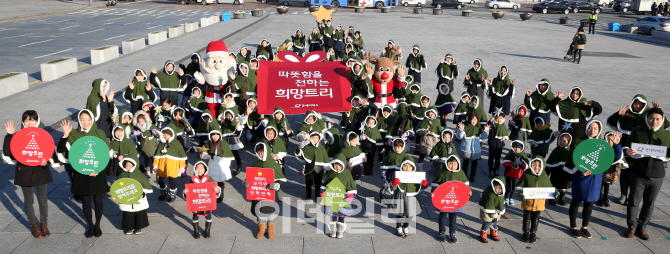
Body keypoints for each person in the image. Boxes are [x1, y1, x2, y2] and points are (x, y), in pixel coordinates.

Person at [57, 110, 112, 238]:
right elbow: (60, 149)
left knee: (98, 199)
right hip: (80, 172)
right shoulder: (74, 134)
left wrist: (98, 169)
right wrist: (65, 135)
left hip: (97, 171)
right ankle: (90, 225)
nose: (85, 122)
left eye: (88, 119)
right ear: (79, 120)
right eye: (82, 119)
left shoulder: (99, 133)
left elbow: (106, 153)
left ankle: (97, 224)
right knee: (86, 200)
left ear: (92, 120)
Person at [606, 96, 668, 205]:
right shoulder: (626, 112)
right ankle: (623, 194)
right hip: (627, 146)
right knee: (625, 171)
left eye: (641, 104)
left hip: (641, 149)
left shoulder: (648, 115)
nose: (638, 106)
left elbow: (665, 125)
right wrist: (618, 115)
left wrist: (658, 111)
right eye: (636, 103)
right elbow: (610, 122)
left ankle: (632, 194)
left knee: (635, 173)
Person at [3, 111, 55, 238]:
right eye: (26, 120)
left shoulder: (44, 135)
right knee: (29, 201)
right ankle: (34, 225)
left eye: (32, 120)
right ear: (23, 122)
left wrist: (45, 162)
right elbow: (7, 151)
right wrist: (9, 135)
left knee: (42, 200)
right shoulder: (18, 136)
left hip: (40, 171)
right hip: (24, 172)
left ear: (37, 121)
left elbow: (50, 152)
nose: (30, 123)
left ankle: (44, 224)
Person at [623, 107, 669, 240]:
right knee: (633, 201)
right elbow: (626, 146)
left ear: (662, 120)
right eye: (651, 118)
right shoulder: (638, 131)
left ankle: (642, 227)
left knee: (649, 203)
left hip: (657, 174)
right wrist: (627, 152)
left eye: (657, 119)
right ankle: (632, 227)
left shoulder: (667, 135)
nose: (654, 121)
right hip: (638, 172)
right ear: (647, 118)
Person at [563, 120, 604, 239]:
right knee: (576, 201)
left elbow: (607, 159)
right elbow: (573, 157)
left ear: (599, 130)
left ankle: (584, 227)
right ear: (586, 128)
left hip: (595, 177)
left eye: (595, 128)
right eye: (590, 128)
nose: (592, 130)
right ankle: (573, 226)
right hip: (580, 175)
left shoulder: (601, 143)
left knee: (589, 203)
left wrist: (616, 145)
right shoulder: (579, 140)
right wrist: (579, 169)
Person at [246, 143, 286, 239]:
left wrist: (277, 185)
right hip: (258, 194)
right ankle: (261, 229)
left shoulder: (273, 165)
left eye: (262, 153)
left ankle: (270, 229)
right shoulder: (256, 164)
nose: (261, 155)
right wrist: (246, 183)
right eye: (259, 153)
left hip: (270, 194)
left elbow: (281, 179)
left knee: (271, 212)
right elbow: (251, 178)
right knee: (259, 212)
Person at [516, 156, 558, 243]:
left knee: (535, 219)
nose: (536, 168)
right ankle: (526, 233)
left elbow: (550, 188)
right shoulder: (527, 174)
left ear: (542, 166)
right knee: (527, 218)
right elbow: (519, 187)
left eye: (539, 166)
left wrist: (555, 194)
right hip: (528, 202)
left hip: (539, 203)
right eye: (534, 165)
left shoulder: (544, 176)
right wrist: (521, 195)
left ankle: (533, 233)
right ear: (531, 165)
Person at [432, 155, 470, 243]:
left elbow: (465, 185)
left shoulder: (461, 173)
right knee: (443, 216)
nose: (453, 166)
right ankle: (441, 232)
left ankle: (452, 233)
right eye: (450, 164)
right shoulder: (443, 173)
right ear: (446, 164)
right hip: (444, 201)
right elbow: (435, 183)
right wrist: (434, 192)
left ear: (458, 164)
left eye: (455, 164)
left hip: (455, 201)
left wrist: (468, 192)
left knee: (453, 217)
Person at [388, 156, 428, 238]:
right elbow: (391, 187)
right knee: (399, 213)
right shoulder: (398, 174)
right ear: (402, 166)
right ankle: (398, 227)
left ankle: (405, 226)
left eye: (410, 166)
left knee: (410, 214)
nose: (407, 168)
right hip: (400, 196)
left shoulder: (416, 175)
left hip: (411, 197)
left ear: (413, 167)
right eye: (405, 166)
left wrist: (425, 184)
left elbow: (421, 187)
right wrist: (393, 184)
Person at [321, 154, 357, 239]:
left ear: (343, 165)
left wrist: (350, 195)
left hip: (343, 198)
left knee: (342, 214)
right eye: (335, 164)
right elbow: (326, 184)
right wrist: (323, 192)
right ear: (333, 164)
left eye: (340, 165)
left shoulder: (347, 173)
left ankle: (340, 229)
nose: (337, 167)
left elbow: (351, 185)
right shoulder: (331, 173)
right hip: (333, 198)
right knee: (333, 213)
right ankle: (333, 228)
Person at [184, 161, 221, 239]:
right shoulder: (193, 179)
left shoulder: (209, 178)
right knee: (195, 216)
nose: (199, 170)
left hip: (206, 203)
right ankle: (196, 232)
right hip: (196, 203)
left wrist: (216, 190)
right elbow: (189, 191)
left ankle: (207, 231)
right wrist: (185, 192)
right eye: (197, 168)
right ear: (195, 169)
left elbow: (215, 189)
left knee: (208, 216)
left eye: (201, 168)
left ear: (205, 169)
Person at [115, 158, 152, 235]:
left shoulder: (139, 175)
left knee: (139, 213)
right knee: (128, 214)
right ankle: (129, 228)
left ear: (134, 165)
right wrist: (115, 195)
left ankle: (139, 227)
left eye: (130, 166)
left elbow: (146, 186)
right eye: (126, 166)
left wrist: (143, 194)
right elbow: (117, 186)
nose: (128, 167)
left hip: (139, 199)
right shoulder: (122, 175)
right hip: (127, 199)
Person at [153, 123, 187, 203]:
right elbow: (157, 156)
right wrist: (155, 166)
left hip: (173, 166)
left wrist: (182, 166)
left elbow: (181, 157)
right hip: (162, 167)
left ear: (172, 135)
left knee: (172, 181)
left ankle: (172, 194)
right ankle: (163, 192)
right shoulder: (161, 144)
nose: (165, 136)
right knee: (161, 180)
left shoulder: (177, 144)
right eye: (164, 134)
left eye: (168, 134)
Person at [200, 126, 234, 203]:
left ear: (220, 135)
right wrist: (203, 155)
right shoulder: (209, 143)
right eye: (213, 134)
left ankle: (220, 194)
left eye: (217, 134)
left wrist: (226, 166)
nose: (215, 137)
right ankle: (214, 194)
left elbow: (228, 156)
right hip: (212, 165)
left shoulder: (224, 143)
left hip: (221, 165)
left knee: (220, 181)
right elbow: (206, 154)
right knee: (213, 181)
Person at [456, 111, 491, 182]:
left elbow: (482, 137)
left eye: (476, 119)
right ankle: (464, 175)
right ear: (469, 119)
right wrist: (461, 130)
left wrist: (486, 131)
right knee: (465, 163)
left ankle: (472, 175)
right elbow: (459, 137)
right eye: (472, 119)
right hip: (466, 149)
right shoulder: (465, 126)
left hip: (476, 150)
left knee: (474, 163)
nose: (474, 121)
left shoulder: (479, 127)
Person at [296, 132, 329, 201]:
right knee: (308, 182)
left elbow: (325, 158)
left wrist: (326, 169)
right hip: (309, 167)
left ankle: (317, 195)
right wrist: (299, 152)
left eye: (316, 138)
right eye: (313, 138)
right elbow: (302, 154)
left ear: (319, 139)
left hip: (319, 168)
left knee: (318, 183)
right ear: (310, 138)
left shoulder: (321, 148)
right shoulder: (307, 147)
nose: (315, 140)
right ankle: (308, 195)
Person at [597, 131, 626, 207]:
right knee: (600, 184)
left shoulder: (615, 149)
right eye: (608, 140)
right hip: (602, 169)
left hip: (610, 170)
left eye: (612, 140)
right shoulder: (603, 147)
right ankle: (599, 198)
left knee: (607, 184)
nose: (610, 142)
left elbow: (619, 156)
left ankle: (605, 198)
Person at [545, 133, 573, 206]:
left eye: (564, 141)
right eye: (560, 140)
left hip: (565, 172)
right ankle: (551, 198)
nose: (561, 142)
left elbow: (571, 162)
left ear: (568, 142)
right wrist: (547, 171)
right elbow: (550, 161)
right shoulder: (556, 150)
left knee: (563, 186)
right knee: (553, 185)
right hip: (555, 171)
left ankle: (562, 198)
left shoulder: (569, 151)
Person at [478, 176, 506, 243]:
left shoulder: (501, 194)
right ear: (494, 186)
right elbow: (489, 205)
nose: (499, 190)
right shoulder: (490, 194)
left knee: (495, 222)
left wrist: (500, 210)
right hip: (487, 210)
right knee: (488, 222)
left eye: (501, 188)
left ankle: (493, 233)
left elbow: (501, 202)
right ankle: (483, 234)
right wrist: (492, 213)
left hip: (496, 211)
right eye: (497, 188)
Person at [132, 110, 159, 177]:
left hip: (152, 145)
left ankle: (154, 168)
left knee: (153, 157)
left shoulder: (151, 126)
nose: (141, 123)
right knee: (146, 158)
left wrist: (155, 133)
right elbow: (139, 140)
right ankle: (148, 169)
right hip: (144, 146)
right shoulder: (139, 129)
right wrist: (138, 136)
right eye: (139, 121)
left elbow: (157, 136)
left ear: (146, 120)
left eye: (142, 121)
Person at [502, 139, 529, 205]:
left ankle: (511, 198)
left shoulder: (523, 155)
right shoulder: (511, 153)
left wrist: (521, 164)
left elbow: (526, 165)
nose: (516, 149)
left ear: (521, 148)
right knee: (508, 187)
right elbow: (504, 162)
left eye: (518, 148)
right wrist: (511, 163)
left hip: (518, 175)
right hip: (509, 173)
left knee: (514, 188)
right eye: (514, 147)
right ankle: (506, 198)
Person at [219, 108, 244, 176]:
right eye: (227, 116)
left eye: (230, 116)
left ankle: (239, 166)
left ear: (232, 117)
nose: (228, 117)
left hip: (232, 140)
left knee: (235, 153)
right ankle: (223, 168)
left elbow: (238, 129)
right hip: (225, 140)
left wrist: (238, 125)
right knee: (223, 155)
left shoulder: (234, 124)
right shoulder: (223, 123)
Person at [488, 112, 508, 178]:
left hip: (499, 145)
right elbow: (486, 127)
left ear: (503, 119)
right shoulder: (493, 124)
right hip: (492, 144)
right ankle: (490, 170)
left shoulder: (503, 126)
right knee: (491, 158)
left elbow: (505, 134)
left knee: (498, 159)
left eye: (501, 118)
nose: (499, 120)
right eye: (497, 118)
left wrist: (505, 138)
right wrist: (490, 121)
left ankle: (496, 170)